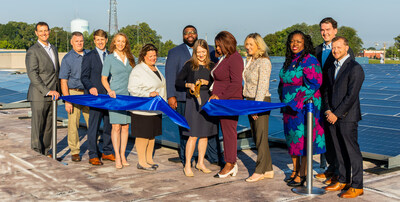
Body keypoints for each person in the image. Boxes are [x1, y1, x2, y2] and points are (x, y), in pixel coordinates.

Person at [165, 25, 221, 166]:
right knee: (186, 132)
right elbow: (171, 76)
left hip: (207, 101)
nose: (190, 34)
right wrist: (171, 96)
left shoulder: (211, 50)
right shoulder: (174, 52)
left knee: (210, 131)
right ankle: (186, 160)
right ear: (183, 35)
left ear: (197, 34)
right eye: (186, 33)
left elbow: (217, 77)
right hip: (184, 99)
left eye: (193, 32)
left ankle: (213, 158)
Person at [278, 30, 325, 187]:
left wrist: (296, 100)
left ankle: (303, 173)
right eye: (292, 41)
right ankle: (295, 170)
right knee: (292, 140)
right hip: (289, 108)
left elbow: (315, 83)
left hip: (304, 107)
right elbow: (283, 82)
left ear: (305, 43)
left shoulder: (309, 60)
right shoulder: (290, 60)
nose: (294, 44)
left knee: (303, 140)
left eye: (298, 41)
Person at [315, 17, 355, 184]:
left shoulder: (345, 50)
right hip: (323, 99)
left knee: (339, 139)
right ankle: (331, 168)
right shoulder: (317, 50)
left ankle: (340, 173)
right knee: (327, 137)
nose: (325, 33)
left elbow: (349, 79)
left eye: (328, 29)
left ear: (335, 30)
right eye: (323, 30)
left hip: (337, 102)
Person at [323, 36, 364, 198]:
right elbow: (326, 91)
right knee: (338, 150)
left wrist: (337, 114)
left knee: (352, 151)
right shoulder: (332, 68)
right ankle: (342, 179)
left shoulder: (355, 68)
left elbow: (351, 95)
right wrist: (327, 111)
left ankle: (357, 185)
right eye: (333, 47)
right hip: (331, 116)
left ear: (347, 48)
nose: (335, 50)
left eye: (339, 47)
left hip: (347, 117)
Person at [175, 39, 218, 177]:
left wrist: (208, 82)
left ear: (207, 51)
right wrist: (189, 85)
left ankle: (200, 163)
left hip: (207, 101)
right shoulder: (189, 65)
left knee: (204, 135)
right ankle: (187, 164)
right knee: (193, 135)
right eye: (198, 52)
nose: (201, 54)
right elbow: (178, 82)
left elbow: (217, 83)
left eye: (203, 51)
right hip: (193, 102)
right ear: (195, 52)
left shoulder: (212, 65)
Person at [210, 31, 244, 178]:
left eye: (219, 45)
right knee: (226, 132)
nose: (217, 48)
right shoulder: (224, 58)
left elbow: (236, 84)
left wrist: (220, 97)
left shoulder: (235, 58)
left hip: (229, 102)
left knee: (229, 133)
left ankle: (230, 163)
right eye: (216, 46)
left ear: (226, 44)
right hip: (221, 102)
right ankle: (230, 162)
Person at [128, 44, 166, 171]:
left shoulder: (156, 68)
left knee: (151, 135)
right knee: (143, 136)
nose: (153, 58)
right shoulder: (138, 70)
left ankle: (149, 160)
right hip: (143, 109)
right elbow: (132, 89)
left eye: (155, 55)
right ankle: (142, 162)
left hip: (155, 109)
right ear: (144, 56)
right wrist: (148, 94)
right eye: (150, 56)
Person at [242, 33, 274, 182]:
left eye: (250, 44)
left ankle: (259, 170)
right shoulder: (250, 61)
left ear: (258, 46)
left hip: (259, 101)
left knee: (261, 137)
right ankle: (268, 169)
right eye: (246, 44)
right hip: (249, 101)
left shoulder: (264, 62)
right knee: (257, 136)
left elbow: (262, 85)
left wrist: (257, 107)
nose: (247, 47)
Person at [25, 22, 60, 156]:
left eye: (46, 30)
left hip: (53, 95)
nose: (44, 33)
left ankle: (45, 151)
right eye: (41, 31)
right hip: (39, 95)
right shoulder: (33, 51)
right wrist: (46, 91)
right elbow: (32, 74)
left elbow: (56, 71)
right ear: (36, 33)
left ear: (49, 31)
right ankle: (36, 153)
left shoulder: (54, 49)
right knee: (38, 126)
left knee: (49, 126)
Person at [101, 33, 135, 169]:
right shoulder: (109, 58)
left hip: (128, 96)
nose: (120, 44)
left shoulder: (131, 58)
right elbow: (104, 78)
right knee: (116, 127)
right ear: (114, 43)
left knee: (126, 127)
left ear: (126, 43)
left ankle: (123, 155)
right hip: (115, 96)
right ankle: (117, 157)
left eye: (123, 41)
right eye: (118, 41)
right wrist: (109, 90)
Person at [81, 29, 115, 166]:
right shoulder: (89, 56)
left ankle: (107, 151)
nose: (100, 42)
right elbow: (83, 76)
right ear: (94, 41)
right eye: (97, 40)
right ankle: (93, 154)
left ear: (106, 40)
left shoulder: (112, 56)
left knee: (108, 126)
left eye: (102, 39)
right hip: (95, 97)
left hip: (109, 97)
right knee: (94, 127)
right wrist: (90, 87)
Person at [59, 31, 89, 162]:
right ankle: (75, 151)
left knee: (92, 122)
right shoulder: (67, 58)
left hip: (87, 93)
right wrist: (67, 100)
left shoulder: (89, 55)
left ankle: (94, 148)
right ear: (72, 42)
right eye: (76, 41)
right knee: (73, 123)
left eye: (81, 41)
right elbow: (63, 81)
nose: (79, 43)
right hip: (74, 93)